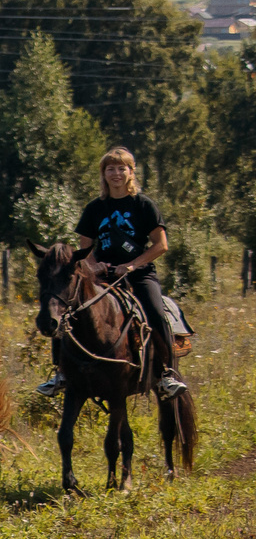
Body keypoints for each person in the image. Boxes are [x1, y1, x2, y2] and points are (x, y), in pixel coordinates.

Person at [41, 147, 187, 401]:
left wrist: (132, 265)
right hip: (102, 275)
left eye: (122, 168)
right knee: (66, 309)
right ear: (104, 174)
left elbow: (161, 245)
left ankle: (166, 373)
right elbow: (85, 247)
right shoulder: (95, 208)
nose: (116, 173)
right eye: (111, 169)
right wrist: (95, 265)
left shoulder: (143, 205)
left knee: (155, 312)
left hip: (140, 275)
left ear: (131, 173)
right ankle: (61, 373)